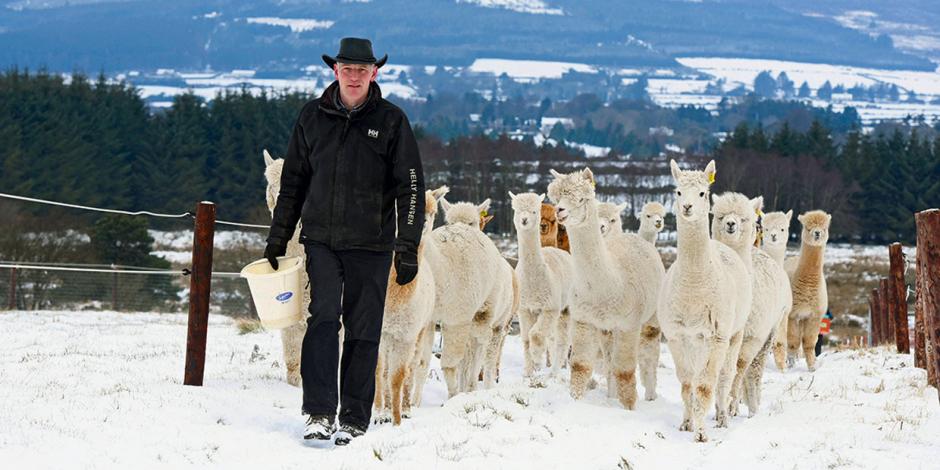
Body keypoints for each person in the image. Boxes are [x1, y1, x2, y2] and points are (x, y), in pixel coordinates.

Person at [263, 37, 425, 446]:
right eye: (347, 69)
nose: (354, 77)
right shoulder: (312, 117)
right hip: (321, 240)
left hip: (371, 245)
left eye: (361, 70)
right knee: (321, 320)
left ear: (375, 73)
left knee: (363, 328)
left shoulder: (391, 121)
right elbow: (294, 183)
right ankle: (318, 412)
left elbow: (410, 187)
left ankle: (354, 417)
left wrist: (407, 246)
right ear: (335, 71)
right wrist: (279, 238)